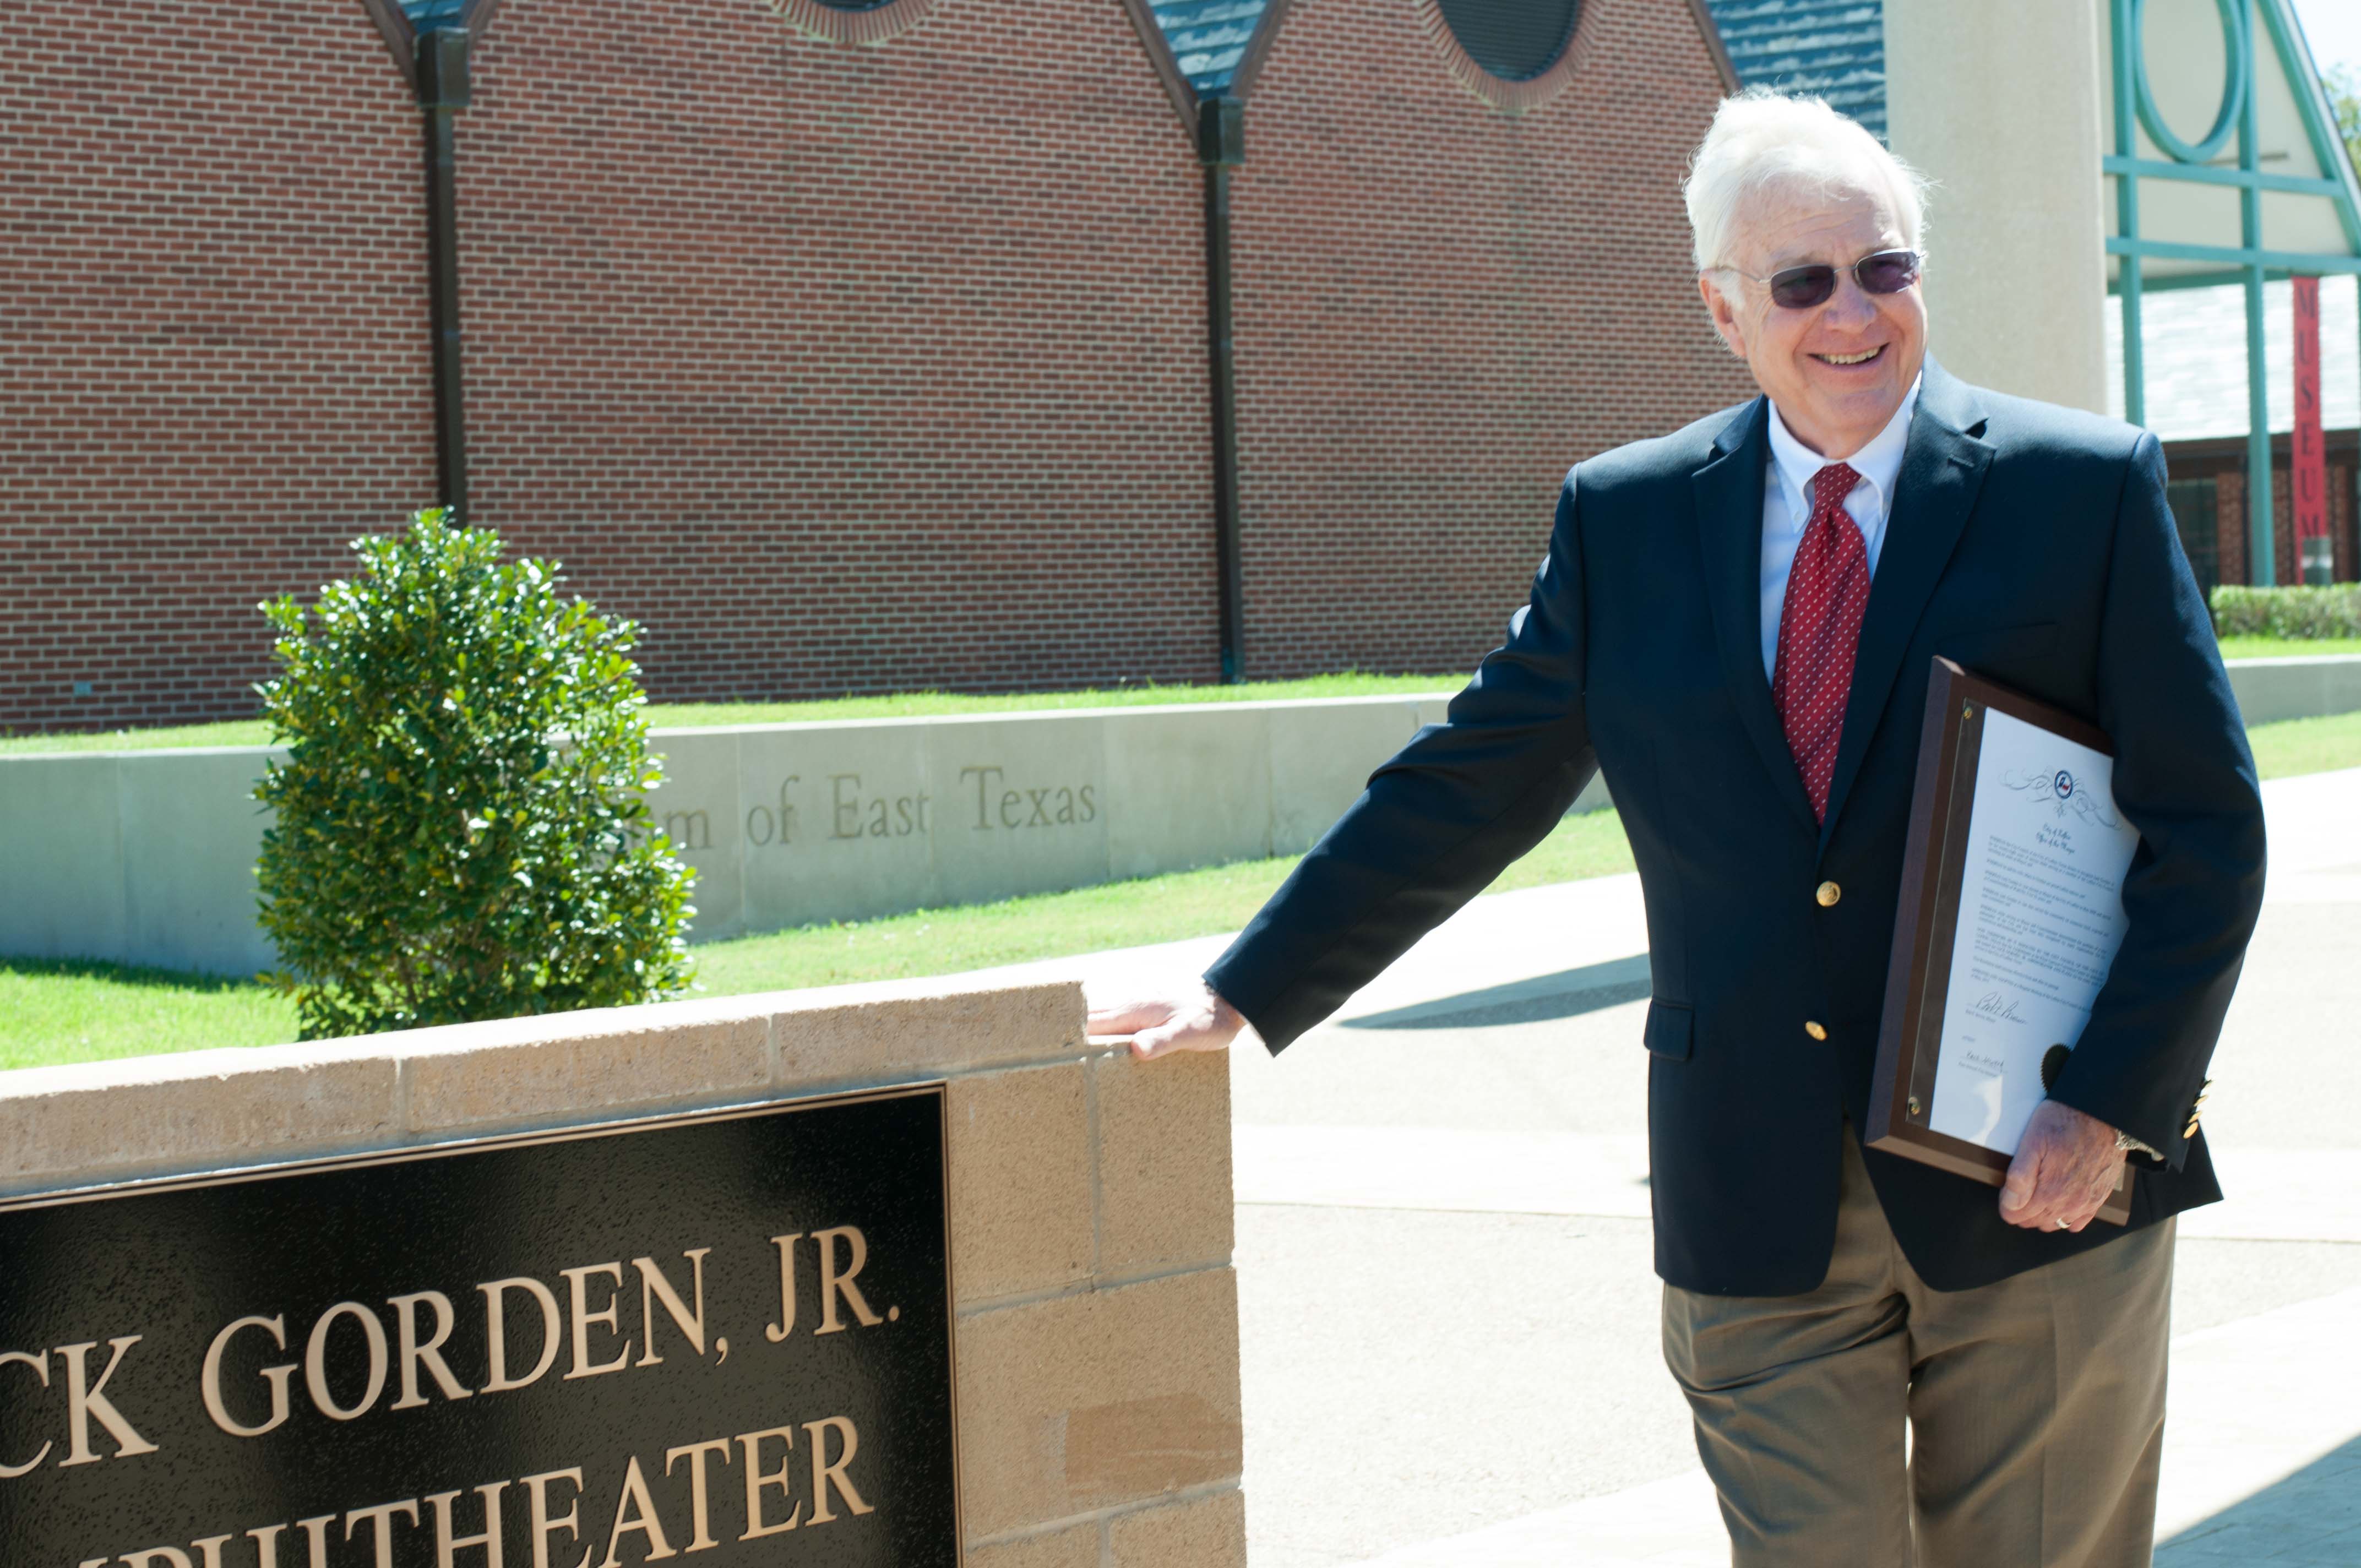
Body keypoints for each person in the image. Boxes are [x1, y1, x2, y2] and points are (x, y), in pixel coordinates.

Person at [1087, 89, 2266, 1567]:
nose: (1853, 312)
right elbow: (1472, 785)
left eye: (1884, 267)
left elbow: (2208, 832)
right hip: (1754, 1192)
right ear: (1722, 308)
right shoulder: (1626, 520)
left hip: (2038, 1172)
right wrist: (1244, 988)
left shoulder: (2080, 490)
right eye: (1803, 282)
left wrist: (2111, 1104)